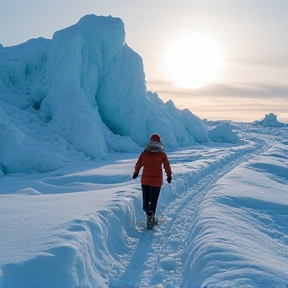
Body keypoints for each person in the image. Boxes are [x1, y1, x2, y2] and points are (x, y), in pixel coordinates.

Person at [132, 133, 172, 225]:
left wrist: (136, 172)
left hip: (145, 180)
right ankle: (152, 217)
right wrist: (169, 176)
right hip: (157, 181)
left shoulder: (145, 153)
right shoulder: (162, 154)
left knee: (146, 200)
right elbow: (167, 166)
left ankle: (148, 213)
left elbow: (139, 163)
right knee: (153, 201)